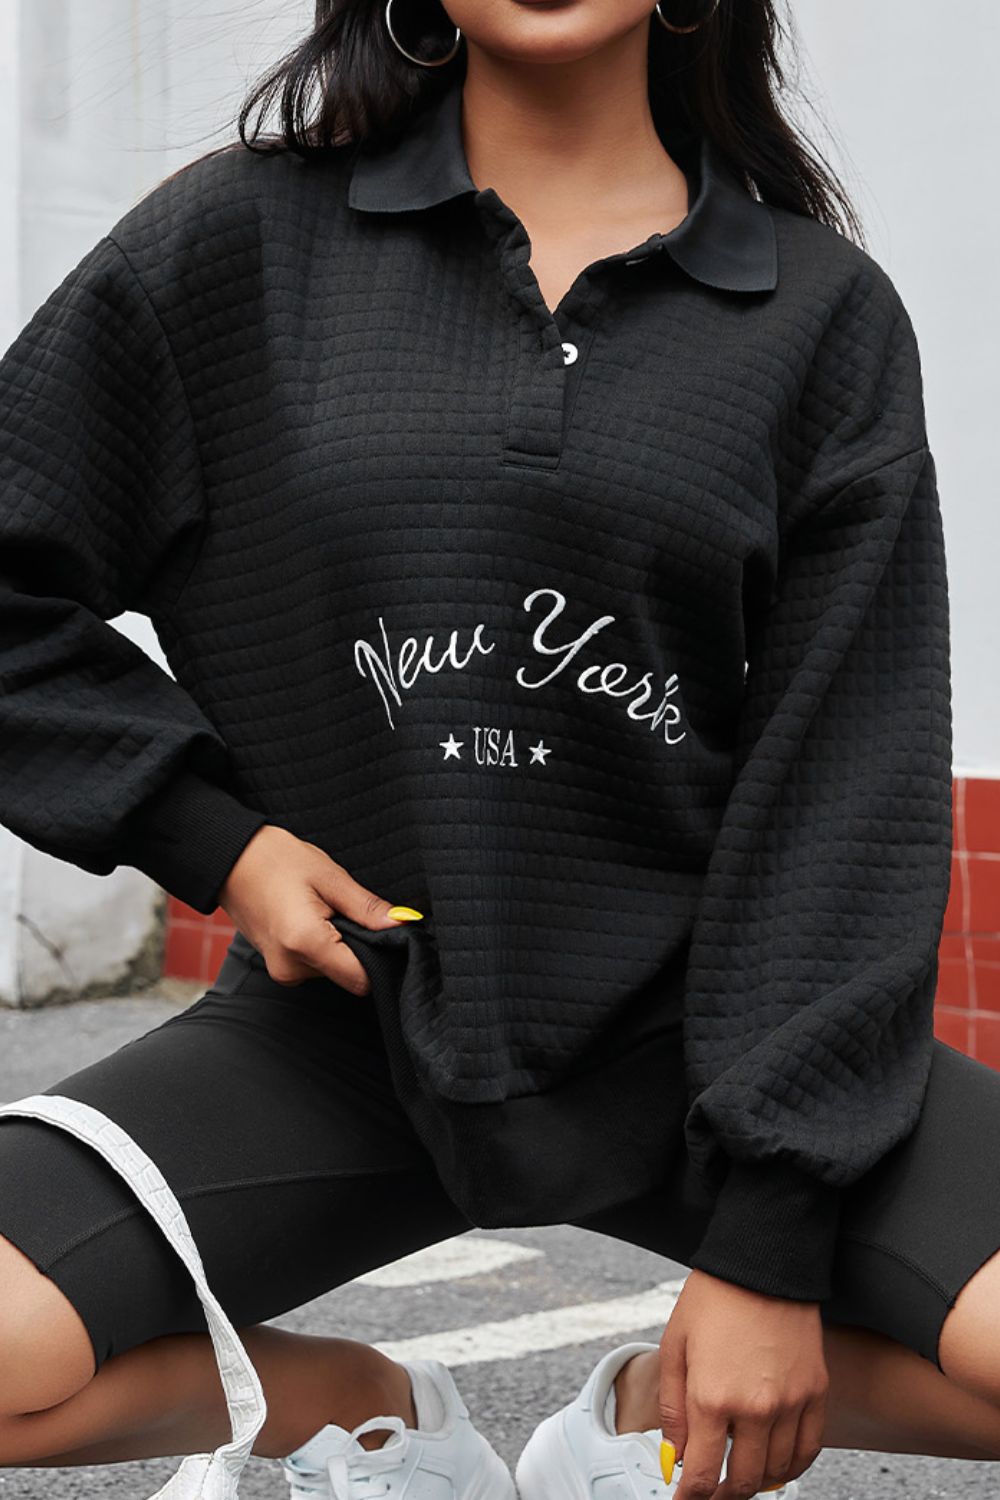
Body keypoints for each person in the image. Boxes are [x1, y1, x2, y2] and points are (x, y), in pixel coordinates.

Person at [0, 1, 995, 1497]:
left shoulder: (819, 315)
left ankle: (635, 1426)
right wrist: (222, 842)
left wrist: (769, 1246)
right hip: (339, 1024)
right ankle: (362, 1416)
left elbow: (848, 785)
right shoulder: (238, 243)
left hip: (700, 1047)